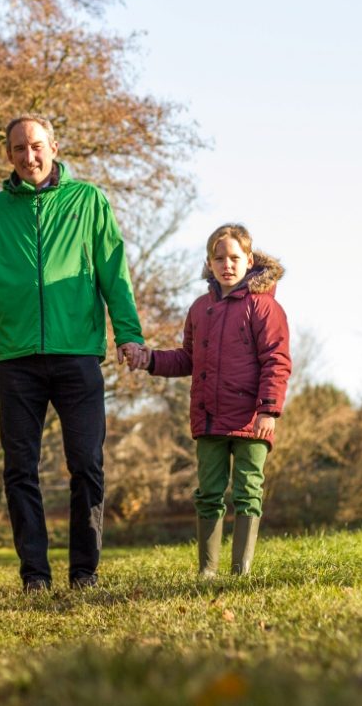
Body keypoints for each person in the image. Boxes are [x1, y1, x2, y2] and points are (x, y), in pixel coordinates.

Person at [0, 114, 146, 591]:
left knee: (87, 464)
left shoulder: (88, 201)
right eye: (19, 149)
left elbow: (114, 271)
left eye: (36, 146)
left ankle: (84, 572)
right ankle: (35, 574)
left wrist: (128, 334)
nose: (29, 156)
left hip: (78, 354)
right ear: (9, 155)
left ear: (54, 146)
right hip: (16, 359)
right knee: (19, 468)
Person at [140, 224, 290, 577]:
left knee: (248, 491)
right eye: (219, 258)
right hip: (209, 420)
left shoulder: (264, 307)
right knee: (208, 493)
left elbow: (277, 360)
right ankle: (207, 571)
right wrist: (150, 359)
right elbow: (187, 359)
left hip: (252, 420)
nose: (227, 264)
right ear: (209, 262)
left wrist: (268, 409)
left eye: (235, 258)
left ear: (249, 260)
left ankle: (241, 570)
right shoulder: (199, 309)